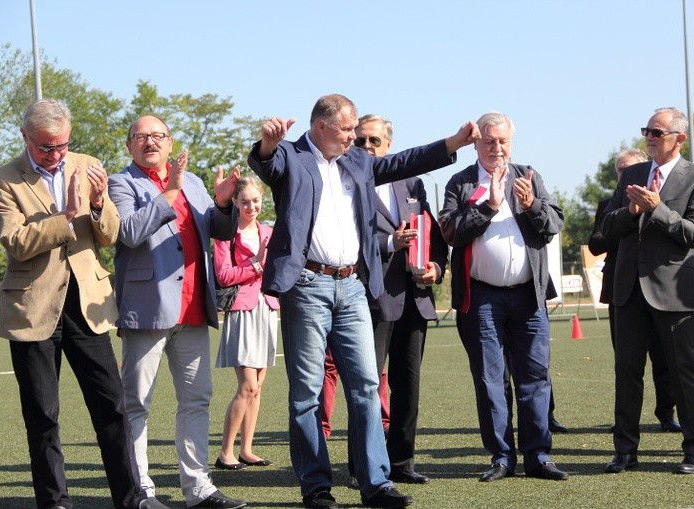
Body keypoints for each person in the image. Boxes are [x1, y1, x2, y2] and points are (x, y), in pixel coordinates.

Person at [247, 93, 478, 509]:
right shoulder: (292, 156)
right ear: (322, 127)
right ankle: (316, 487)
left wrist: (452, 144)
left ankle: (375, 483)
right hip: (307, 285)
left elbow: (403, 162)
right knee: (306, 391)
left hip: (353, 285)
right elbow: (266, 164)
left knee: (367, 386)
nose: (355, 137)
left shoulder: (357, 162)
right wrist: (266, 143)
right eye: (348, 129)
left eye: (356, 130)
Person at [0, 99, 168, 509]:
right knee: (43, 416)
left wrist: (101, 204)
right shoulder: (2, 180)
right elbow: (16, 243)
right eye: (46, 148)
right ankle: (55, 502)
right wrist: (68, 215)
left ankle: (131, 497)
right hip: (32, 312)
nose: (56, 155)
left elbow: (108, 236)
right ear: (25, 138)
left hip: (87, 305)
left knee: (111, 408)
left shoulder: (87, 165)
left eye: (63, 146)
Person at [108, 115, 247, 509]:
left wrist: (222, 203)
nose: (150, 142)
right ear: (129, 145)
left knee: (196, 399)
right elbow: (130, 233)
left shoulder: (196, 183)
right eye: (141, 137)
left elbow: (221, 231)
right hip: (147, 310)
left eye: (158, 136)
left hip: (192, 307)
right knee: (136, 403)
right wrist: (167, 194)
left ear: (170, 143)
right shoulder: (122, 183)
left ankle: (198, 487)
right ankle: (141, 491)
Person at [439, 111, 568, 482]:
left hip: (528, 298)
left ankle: (538, 456)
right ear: (476, 143)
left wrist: (532, 206)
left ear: (512, 142)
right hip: (480, 300)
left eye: (503, 141)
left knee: (535, 377)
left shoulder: (528, 176)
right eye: (489, 141)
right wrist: (489, 207)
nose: (497, 147)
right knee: (490, 379)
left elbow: (554, 225)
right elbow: (450, 232)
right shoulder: (460, 183)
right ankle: (500, 456)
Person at [600, 107, 694, 475]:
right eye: (646, 130)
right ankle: (625, 451)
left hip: (674, 291)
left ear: (679, 138)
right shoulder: (632, 174)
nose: (649, 135)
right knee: (627, 371)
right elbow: (607, 227)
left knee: (684, 371)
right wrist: (632, 212)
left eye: (657, 131)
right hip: (629, 289)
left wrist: (657, 209)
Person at [356, 114, 449, 485]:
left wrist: (436, 269)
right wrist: (387, 243)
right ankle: (363, 465)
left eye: (373, 141)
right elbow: (349, 245)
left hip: (414, 298)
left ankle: (402, 463)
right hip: (371, 299)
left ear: (388, 145)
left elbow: (435, 238)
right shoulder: (348, 184)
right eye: (360, 141)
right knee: (365, 387)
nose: (366, 148)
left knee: (407, 384)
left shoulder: (412, 182)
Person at [588, 148, 681, 433]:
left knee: (664, 358)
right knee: (626, 362)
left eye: (628, 169)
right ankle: (627, 426)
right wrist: (626, 224)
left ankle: (667, 413)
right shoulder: (608, 205)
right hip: (621, 287)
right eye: (619, 170)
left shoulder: (663, 200)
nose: (623, 175)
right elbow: (596, 244)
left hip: (659, 287)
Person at [213, 176, 279, 470]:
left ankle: (247, 449)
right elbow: (223, 276)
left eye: (256, 201)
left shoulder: (269, 230)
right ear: (235, 203)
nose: (251, 207)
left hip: (268, 308)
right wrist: (257, 263)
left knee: (258, 387)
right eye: (244, 202)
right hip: (242, 310)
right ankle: (225, 452)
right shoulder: (226, 235)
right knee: (247, 386)